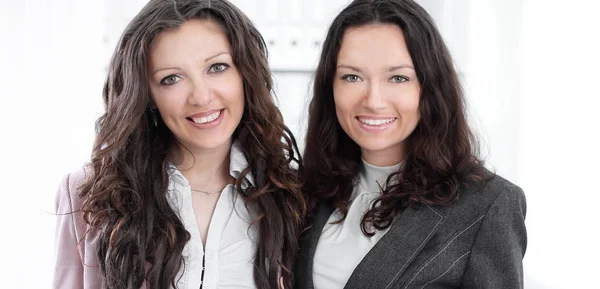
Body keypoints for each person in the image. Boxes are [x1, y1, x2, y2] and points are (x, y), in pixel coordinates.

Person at [53, 0, 305, 288]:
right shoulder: (89, 196)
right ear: (147, 95)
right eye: (171, 78)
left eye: (217, 67)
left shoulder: (292, 196)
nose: (200, 96)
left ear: (245, 74)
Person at [295, 0, 527, 288]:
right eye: (352, 76)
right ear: (330, 87)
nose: (373, 101)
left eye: (398, 77)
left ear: (429, 87)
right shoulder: (304, 191)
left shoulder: (487, 204)